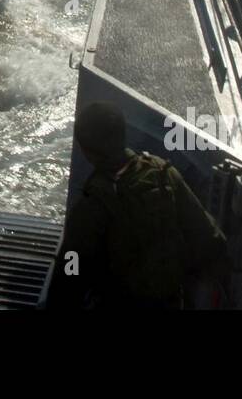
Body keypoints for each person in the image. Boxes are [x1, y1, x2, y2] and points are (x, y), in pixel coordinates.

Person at [45, 102, 231, 310]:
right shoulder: (164, 174)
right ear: (122, 134)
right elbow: (210, 239)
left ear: (86, 151)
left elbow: (70, 273)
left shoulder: (91, 207)